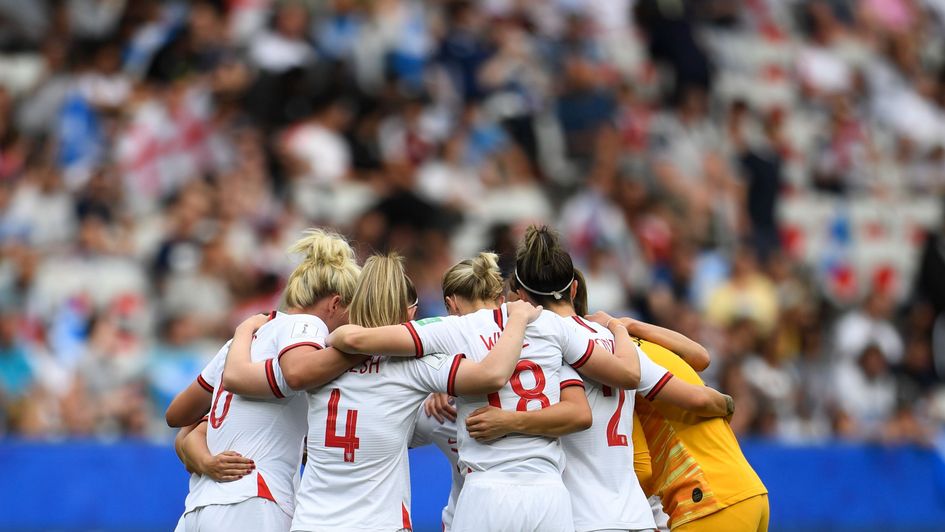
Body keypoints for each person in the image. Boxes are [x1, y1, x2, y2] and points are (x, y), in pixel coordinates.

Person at [224, 253, 542, 530]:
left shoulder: (312, 364)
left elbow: (235, 381)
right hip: (380, 522)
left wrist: (242, 332)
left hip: (312, 522)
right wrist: (517, 318)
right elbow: (492, 374)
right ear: (409, 315)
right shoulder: (418, 369)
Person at [466, 241, 733, 532]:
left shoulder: (544, 344)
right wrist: (621, 327)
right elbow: (699, 383)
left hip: (583, 518)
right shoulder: (617, 344)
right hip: (637, 516)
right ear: (575, 289)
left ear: (521, 298)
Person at [165, 228, 361, 531]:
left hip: (199, 506)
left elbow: (178, 415)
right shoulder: (307, 326)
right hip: (254, 499)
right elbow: (295, 373)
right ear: (335, 304)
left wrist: (203, 458)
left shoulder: (241, 343)